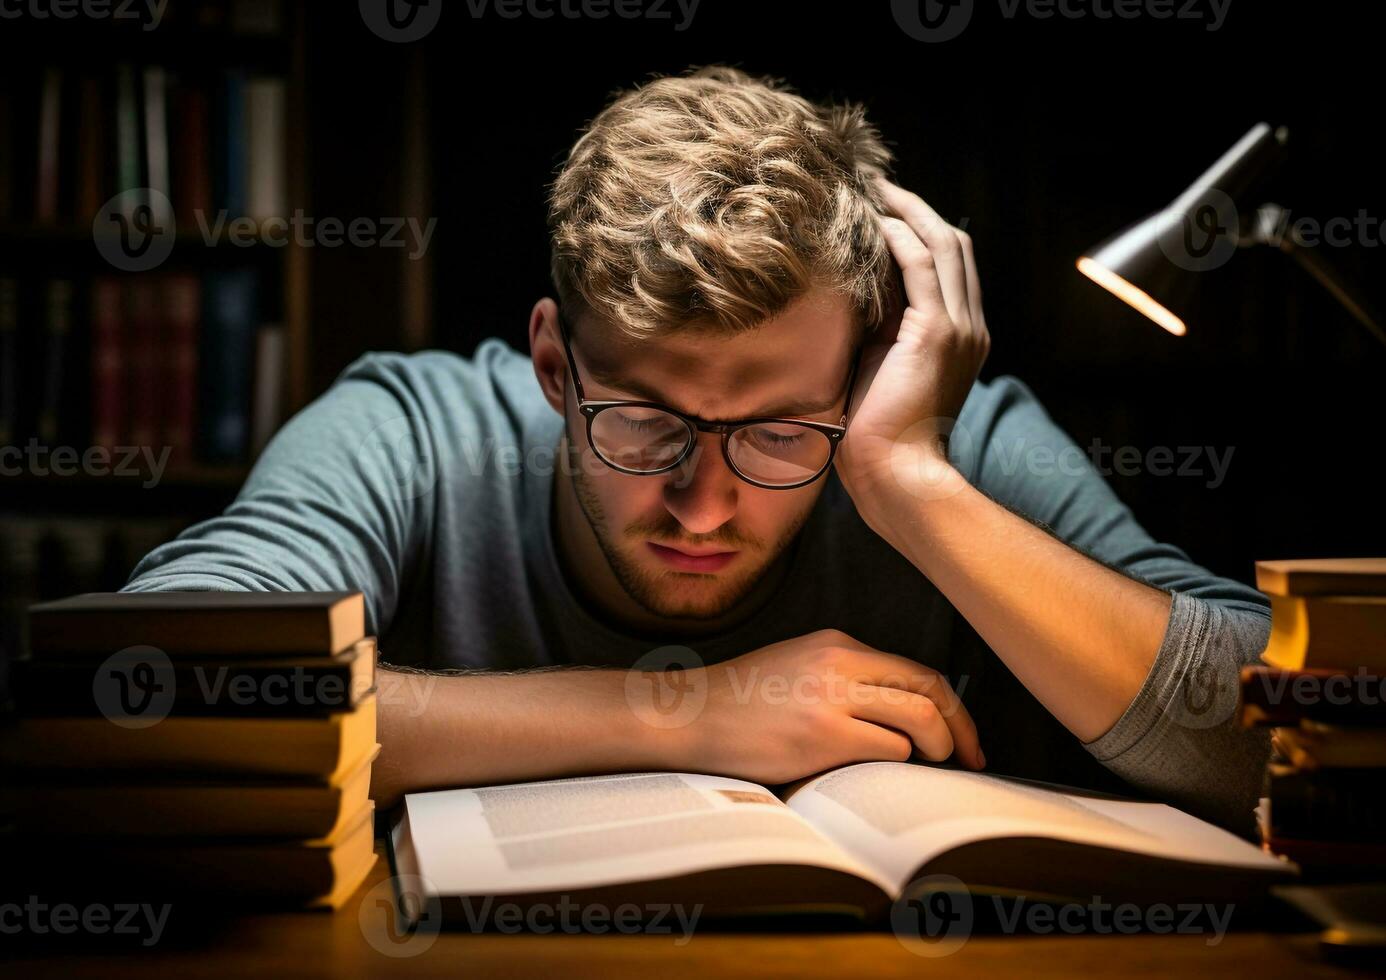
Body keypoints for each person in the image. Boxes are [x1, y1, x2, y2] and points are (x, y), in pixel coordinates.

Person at [124, 66, 1271, 833]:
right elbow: (160, 696)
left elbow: (1285, 748)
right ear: (555, 364)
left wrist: (907, 481)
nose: (705, 505)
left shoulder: (945, 450)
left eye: (780, 431)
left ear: (861, 381)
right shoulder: (414, 432)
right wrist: (680, 710)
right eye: (646, 425)